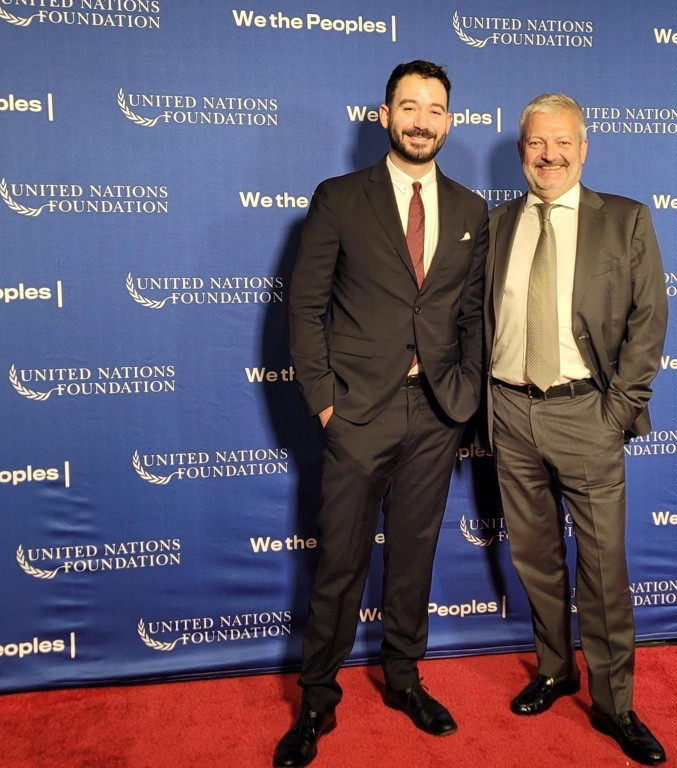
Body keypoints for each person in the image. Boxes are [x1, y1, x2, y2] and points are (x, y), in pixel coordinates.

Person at [276, 60, 488, 767]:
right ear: (384, 115)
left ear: (449, 122)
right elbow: (305, 309)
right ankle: (315, 698)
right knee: (339, 561)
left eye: (434, 109)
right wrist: (325, 402)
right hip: (358, 411)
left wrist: (461, 397)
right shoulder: (339, 198)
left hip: (435, 413)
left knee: (415, 555)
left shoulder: (469, 209)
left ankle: (403, 677)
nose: (421, 120)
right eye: (409, 106)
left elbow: (470, 314)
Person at [484, 93, 669, 766]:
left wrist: (616, 412)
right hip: (508, 410)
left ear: (583, 149)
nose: (550, 154)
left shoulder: (624, 219)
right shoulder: (498, 224)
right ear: (521, 151)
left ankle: (616, 705)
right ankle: (555, 669)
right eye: (537, 143)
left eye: (562, 143)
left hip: (585, 413)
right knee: (535, 559)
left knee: (601, 570)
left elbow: (648, 323)